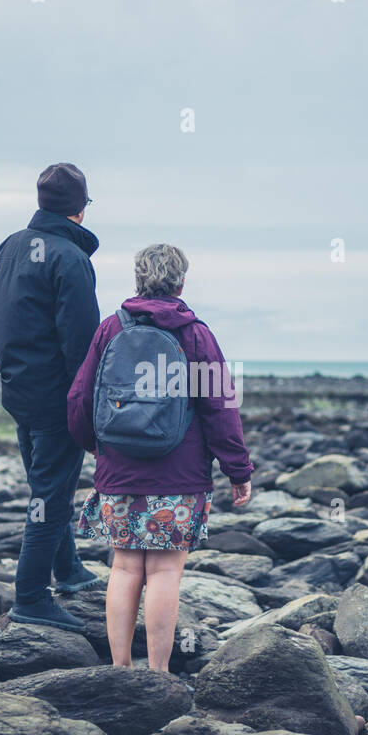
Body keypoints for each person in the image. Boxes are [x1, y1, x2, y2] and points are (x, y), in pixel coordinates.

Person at [67, 244, 253, 671]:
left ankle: (119, 668)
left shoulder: (110, 329)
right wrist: (237, 469)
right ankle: (159, 673)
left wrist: (96, 447)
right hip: (180, 477)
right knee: (165, 574)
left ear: (137, 279)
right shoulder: (196, 334)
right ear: (181, 282)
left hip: (119, 470)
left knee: (125, 568)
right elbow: (220, 405)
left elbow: (80, 397)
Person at [0, 163, 102, 632]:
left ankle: (67, 569)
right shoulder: (70, 260)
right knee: (50, 495)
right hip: (55, 398)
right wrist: (85, 406)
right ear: (80, 209)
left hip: (20, 391)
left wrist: (11, 365)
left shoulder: (10, 247)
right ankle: (30, 596)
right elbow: (83, 346)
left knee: (47, 484)